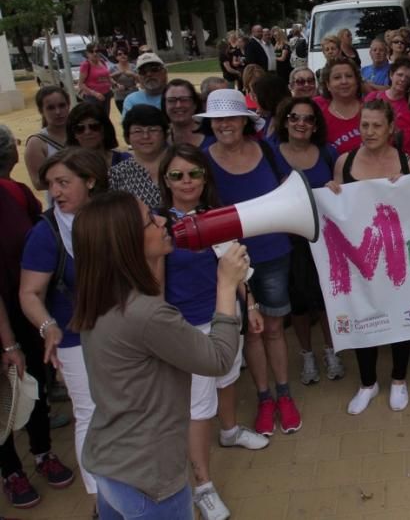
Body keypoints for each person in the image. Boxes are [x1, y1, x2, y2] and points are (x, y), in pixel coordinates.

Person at [72, 191, 244, 520]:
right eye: (151, 219)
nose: (164, 220)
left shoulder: (102, 296)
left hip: (109, 463)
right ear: (126, 243)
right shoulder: (146, 314)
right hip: (149, 477)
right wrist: (226, 285)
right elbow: (219, 358)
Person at [157, 145, 268, 520]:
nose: (187, 181)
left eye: (194, 174)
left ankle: (231, 430)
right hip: (186, 327)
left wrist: (249, 304)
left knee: (227, 376)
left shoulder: (216, 217)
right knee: (197, 407)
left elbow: (234, 265)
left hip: (224, 315)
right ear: (166, 181)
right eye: (177, 175)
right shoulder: (159, 226)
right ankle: (202, 485)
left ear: (206, 178)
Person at [196, 89, 302, 436]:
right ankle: (264, 397)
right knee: (250, 333)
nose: (225, 125)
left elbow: (291, 193)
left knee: (272, 327)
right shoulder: (201, 159)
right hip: (228, 261)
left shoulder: (268, 151)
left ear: (245, 121)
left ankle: (283, 394)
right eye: (218, 119)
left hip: (272, 254)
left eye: (231, 117)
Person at [20, 148, 108, 503]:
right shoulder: (46, 233)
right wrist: (47, 327)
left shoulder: (110, 216)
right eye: (51, 184)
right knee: (89, 413)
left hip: (120, 332)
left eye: (63, 182)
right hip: (74, 338)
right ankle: (101, 499)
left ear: (89, 181)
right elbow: (29, 293)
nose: (55, 192)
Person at [0, 127, 75, 511]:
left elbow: (41, 236)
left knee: (34, 385)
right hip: (5, 317)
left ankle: (43, 452)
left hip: (24, 308)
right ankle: (11, 470)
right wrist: (6, 339)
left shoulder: (12, 192)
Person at [330, 100, 410, 414]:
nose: (369, 131)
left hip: (397, 258)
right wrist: (331, 192)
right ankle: (368, 383)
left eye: (376, 125)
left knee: (400, 314)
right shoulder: (344, 161)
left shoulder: (408, 163)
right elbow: (337, 211)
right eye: (364, 125)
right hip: (358, 259)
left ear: (391, 128)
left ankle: (398, 378)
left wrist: (405, 191)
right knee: (362, 315)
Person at [272, 97, 345, 385]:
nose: (301, 123)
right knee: (298, 303)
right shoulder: (270, 153)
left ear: (316, 125)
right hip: (287, 240)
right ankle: (306, 354)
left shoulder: (328, 153)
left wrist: (334, 188)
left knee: (327, 298)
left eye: (308, 119)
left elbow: (343, 193)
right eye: (294, 117)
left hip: (324, 239)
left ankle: (332, 351)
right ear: (285, 121)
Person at [109, 105, 170, 209]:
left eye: (153, 130)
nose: (146, 136)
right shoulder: (116, 174)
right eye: (138, 131)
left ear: (165, 134)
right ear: (127, 137)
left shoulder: (181, 164)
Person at [24, 86, 70, 192]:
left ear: (68, 105)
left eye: (62, 105)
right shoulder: (37, 143)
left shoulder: (83, 131)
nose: (58, 112)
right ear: (41, 111)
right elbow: (38, 183)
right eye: (51, 108)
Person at [66, 102, 130, 169]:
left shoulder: (125, 161)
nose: (87, 132)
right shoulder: (68, 167)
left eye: (94, 126)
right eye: (80, 128)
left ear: (105, 129)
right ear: (73, 134)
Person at [364, 59, 410, 134]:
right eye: (400, 75)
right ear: (391, 75)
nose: (403, 79)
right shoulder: (373, 97)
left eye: (407, 77)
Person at [163, 79, 207, 148]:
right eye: (171, 100)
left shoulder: (212, 137)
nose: (178, 105)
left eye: (184, 99)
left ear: (195, 104)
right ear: (164, 105)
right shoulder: (159, 141)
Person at [77, 44, 113, 116]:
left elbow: (108, 77)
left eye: (96, 51)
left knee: (105, 118)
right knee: (95, 118)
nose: (94, 53)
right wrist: (95, 94)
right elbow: (80, 84)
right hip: (92, 97)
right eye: (91, 51)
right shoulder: (86, 65)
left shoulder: (102, 62)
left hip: (106, 95)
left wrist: (115, 84)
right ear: (87, 53)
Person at [109, 49, 138, 113]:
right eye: (120, 54)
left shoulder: (133, 66)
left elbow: (140, 80)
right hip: (120, 97)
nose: (123, 55)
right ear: (116, 57)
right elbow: (107, 79)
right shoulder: (113, 68)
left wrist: (132, 74)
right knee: (125, 117)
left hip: (133, 95)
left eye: (125, 53)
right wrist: (115, 75)